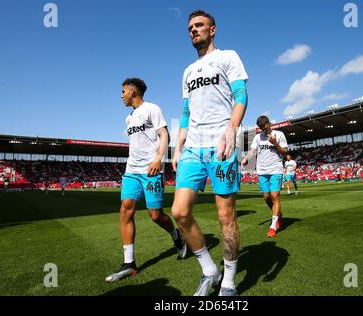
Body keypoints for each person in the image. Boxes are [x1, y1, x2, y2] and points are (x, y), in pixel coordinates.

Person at [171, 10, 248, 297]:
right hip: (192, 147)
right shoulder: (187, 72)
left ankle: (228, 280)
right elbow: (185, 111)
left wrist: (231, 130)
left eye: (199, 25)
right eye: (190, 27)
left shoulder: (228, 57)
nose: (193, 30)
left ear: (213, 30)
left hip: (222, 145)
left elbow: (241, 96)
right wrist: (178, 147)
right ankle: (209, 270)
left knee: (225, 216)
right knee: (180, 212)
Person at [105, 78, 187, 283]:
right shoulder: (129, 118)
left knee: (155, 215)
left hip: (151, 170)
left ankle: (176, 235)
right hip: (131, 171)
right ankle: (129, 263)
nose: (121, 95)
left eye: (123, 91)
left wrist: (159, 159)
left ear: (133, 91)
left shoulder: (152, 108)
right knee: (125, 208)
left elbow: (164, 134)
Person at [241, 116, 288, 238]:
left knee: (275, 195)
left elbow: (285, 152)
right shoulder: (257, 137)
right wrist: (246, 158)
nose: (263, 130)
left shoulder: (279, 134)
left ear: (269, 123)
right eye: (261, 128)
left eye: (264, 127)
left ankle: (273, 226)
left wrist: (275, 143)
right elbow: (253, 151)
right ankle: (278, 214)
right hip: (262, 170)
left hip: (275, 169)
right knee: (266, 197)